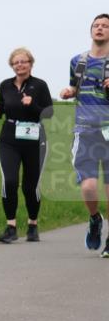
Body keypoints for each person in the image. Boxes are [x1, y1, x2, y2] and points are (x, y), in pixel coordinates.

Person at [0, 48, 53, 243]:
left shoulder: (39, 85)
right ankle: (11, 227)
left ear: (30, 64)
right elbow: (2, 106)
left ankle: (32, 225)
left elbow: (49, 113)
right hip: (9, 139)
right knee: (9, 181)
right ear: (12, 65)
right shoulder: (5, 85)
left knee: (30, 186)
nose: (20, 65)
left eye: (23, 61)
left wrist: (32, 105)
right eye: (16, 62)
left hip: (34, 140)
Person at [59, 13, 109, 258]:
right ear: (91, 31)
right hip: (85, 130)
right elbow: (75, 87)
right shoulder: (77, 61)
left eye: (105, 26)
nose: (99, 29)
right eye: (96, 25)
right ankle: (95, 218)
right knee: (89, 186)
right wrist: (69, 91)